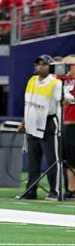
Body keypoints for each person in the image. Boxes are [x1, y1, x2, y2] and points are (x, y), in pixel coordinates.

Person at [18, 55, 62, 200]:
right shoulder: (32, 80)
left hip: (47, 124)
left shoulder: (55, 83)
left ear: (50, 66)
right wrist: (24, 123)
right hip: (31, 124)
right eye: (38, 64)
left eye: (44, 64)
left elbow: (61, 99)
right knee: (33, 161)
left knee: (51, 160)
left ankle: (54, 191)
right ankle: (31, 190)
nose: (40, 67)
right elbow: (28, 104)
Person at [62, 55, 75, 200]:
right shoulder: (63, 81)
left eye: (69, 65)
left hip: (73, 123)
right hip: (65, 123)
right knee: (68, 159)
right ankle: (70, 189)